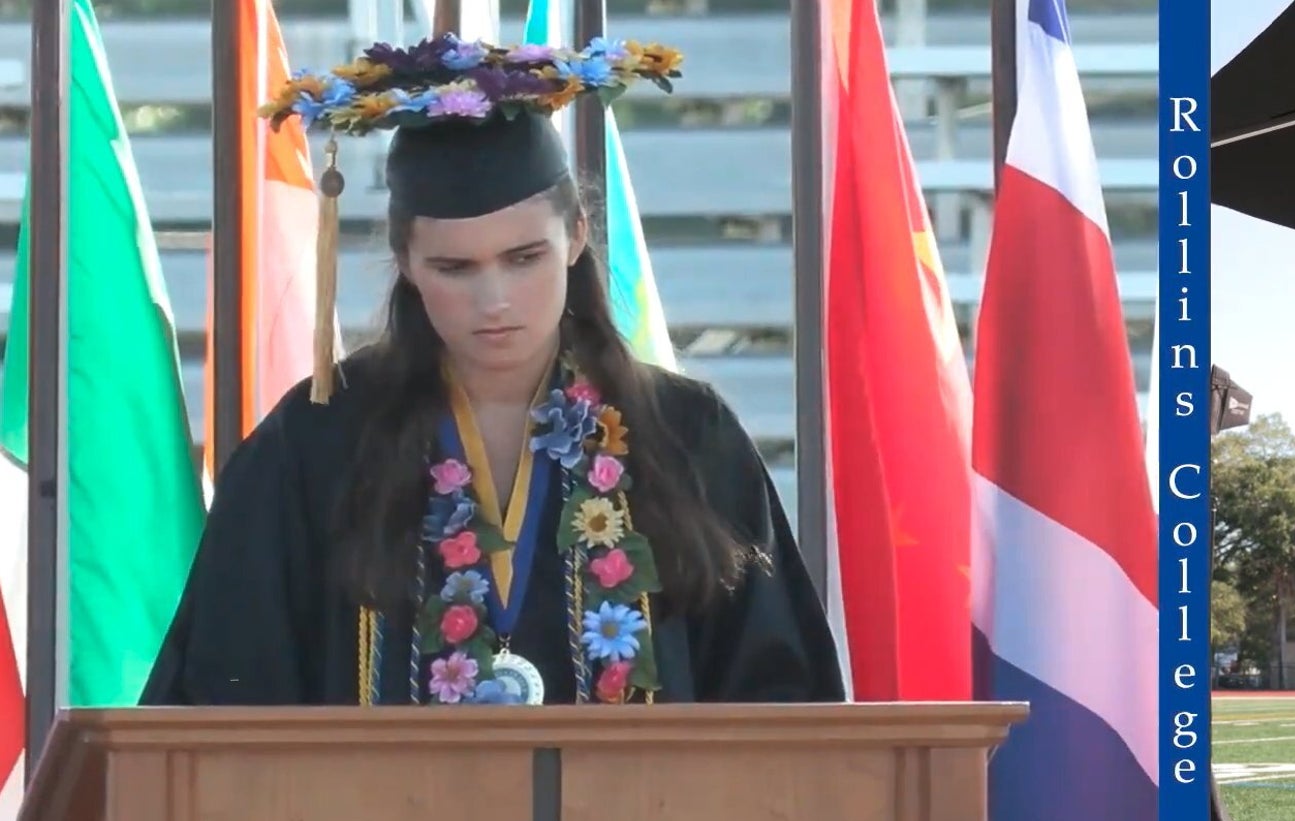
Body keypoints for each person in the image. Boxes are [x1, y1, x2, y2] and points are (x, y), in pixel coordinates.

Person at [140, 35, 846, 708]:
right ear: (408, 263)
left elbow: (777, 696)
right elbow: (224, 693)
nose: (495, 301)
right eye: (455, 268)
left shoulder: (688, 435)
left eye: (523, 257)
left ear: (575, 236)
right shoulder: (317, 442)